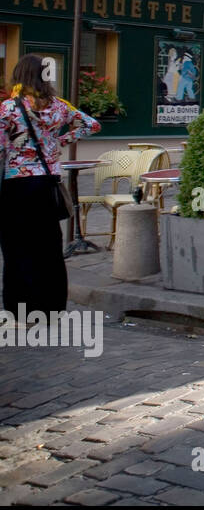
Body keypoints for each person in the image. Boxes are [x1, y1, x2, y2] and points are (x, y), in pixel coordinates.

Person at [0, 54, 100, 318]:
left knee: (17, 247)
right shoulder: (59, 107)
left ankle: (21, 310)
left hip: (18, 185)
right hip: (48, 182)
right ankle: (52, 307)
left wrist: (13, 148)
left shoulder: (9, 108)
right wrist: (60, 142)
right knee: (48, 247)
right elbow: (92, 124)